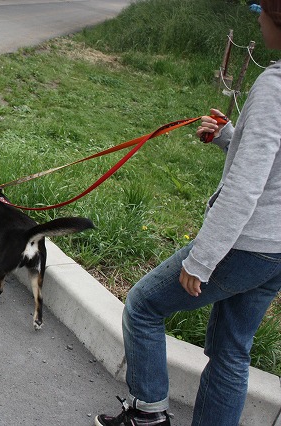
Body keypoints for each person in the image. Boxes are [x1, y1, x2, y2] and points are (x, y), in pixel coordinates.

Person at [95, 1, 281, 425]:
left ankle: (148, 415)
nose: (256, 17)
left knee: (143, 305)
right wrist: (231, 137)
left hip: (245, 244)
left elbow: (247, 185)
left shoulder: (275, 87)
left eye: (263, 10)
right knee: (232, 351)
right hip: (277, 252)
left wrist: (203, 258)